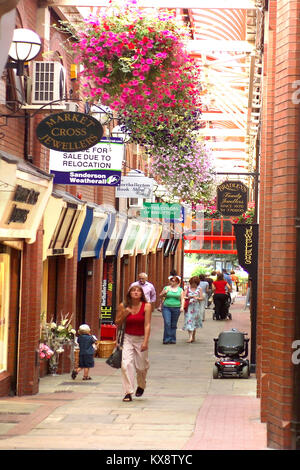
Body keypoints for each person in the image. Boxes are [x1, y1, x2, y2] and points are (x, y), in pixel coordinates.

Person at [115, 285, 152, 402]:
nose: (136, 292)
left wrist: (145, 341)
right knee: (126, 364)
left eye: (138, 291)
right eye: (133, 291)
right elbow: (117, 322)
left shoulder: (147, 306)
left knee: (142, 366)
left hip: (141, 338)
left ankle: (141, 384)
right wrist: (125, 313)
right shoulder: (123, 306)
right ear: (129, 293)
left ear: (142, 294)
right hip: (128, 337)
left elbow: (147, 324)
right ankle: (128, 392)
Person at [160, 275, 185, 344]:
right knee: (167, 323)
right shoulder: (166, 288)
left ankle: (172, 338)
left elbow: (182, 299)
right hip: (166, 307)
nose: (172, 282)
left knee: (173, 324)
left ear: (177, 282)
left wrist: (182, 307)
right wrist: (164, 293)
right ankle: (166, 339)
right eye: (171, 281)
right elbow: (160, 295)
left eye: (173, 281)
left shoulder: (180, 290)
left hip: (176, 307)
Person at [183, 276, 203, 343]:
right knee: (189, 320)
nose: (193, 285)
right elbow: (183, 296)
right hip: (189, 307)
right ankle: (190, 337)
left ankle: (193, 336)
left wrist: (197, 298)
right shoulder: (187, 288)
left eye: (195, 283)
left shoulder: (199, 288)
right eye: (192, 283)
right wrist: (189, 297)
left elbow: (202, 298)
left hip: (196, 307)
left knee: (194, 322)